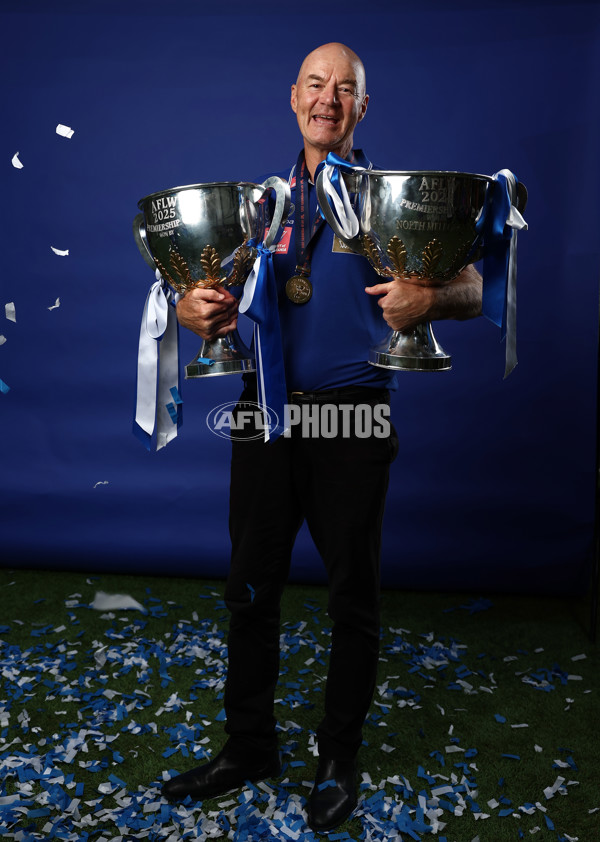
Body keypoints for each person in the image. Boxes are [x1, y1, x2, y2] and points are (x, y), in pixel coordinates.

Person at [162, 42, 482, 832]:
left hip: (352, 419)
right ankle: (249, 746)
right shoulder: (257, 206)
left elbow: (475, 286)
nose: (328, 100)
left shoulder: (390, 202)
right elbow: (199, 293)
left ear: (362, 109)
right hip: (264, 413)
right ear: (294, 98)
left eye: (346, 90)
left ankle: (339, 758)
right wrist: (188, 311)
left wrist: (427, 300)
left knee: (353, 601)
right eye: (316, 85)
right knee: (249, 590)